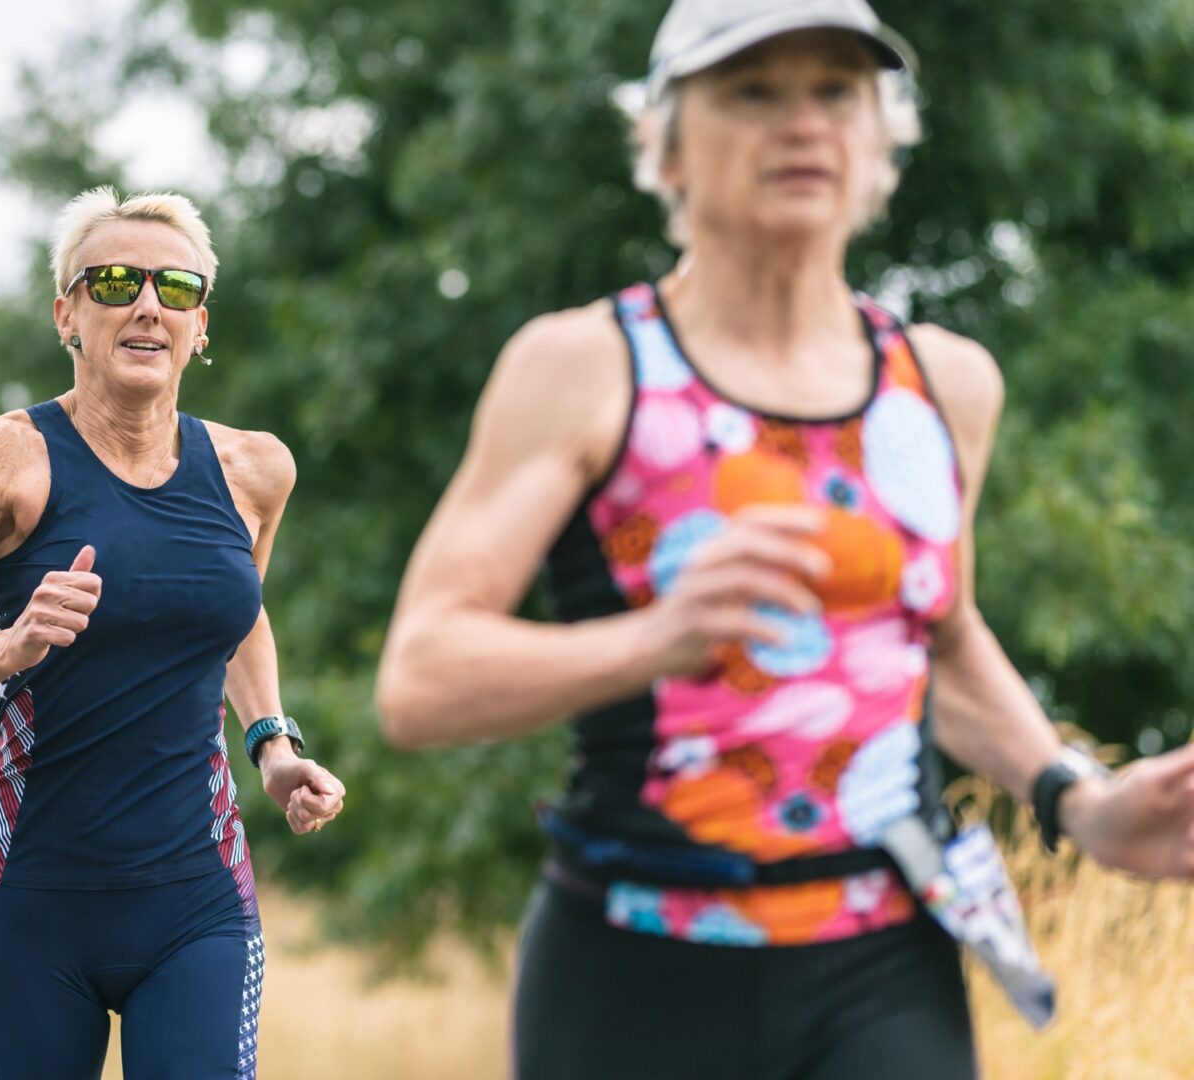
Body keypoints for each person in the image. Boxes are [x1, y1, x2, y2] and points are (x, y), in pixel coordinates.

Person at [375, 2, 1194, 1077]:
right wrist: (658, 638)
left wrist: (1075, 798)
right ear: (664, 143)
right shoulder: (583, 367)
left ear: (880, 137)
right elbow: (420, 680)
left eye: (834, 92)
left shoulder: (943, 386)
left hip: (884, 963)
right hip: (636, 966)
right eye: (753, 92)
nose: (802, 124)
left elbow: (938, 638)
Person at [0, 187, 345, 1079]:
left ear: (201, 324)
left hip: (198, 899)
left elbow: (229, 620)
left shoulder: (254, 470)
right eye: (116, 280)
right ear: (68, 314)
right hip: (34, 904)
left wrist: (273, 745)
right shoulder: (0, 457)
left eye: (176, 288)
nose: (146, 305)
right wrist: (10, 646)